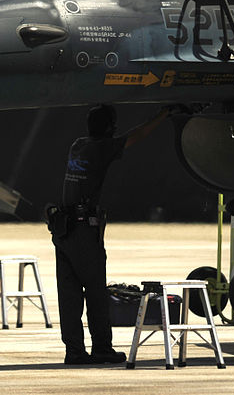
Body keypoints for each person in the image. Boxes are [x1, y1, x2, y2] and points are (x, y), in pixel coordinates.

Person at [51, 104, 172, 365]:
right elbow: (137, 135)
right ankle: (102, 348)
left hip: (63, 230)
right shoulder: (101, 149)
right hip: (84, 232)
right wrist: (164, 114)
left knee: (70, 295)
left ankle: (74, 351)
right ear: (109, 128)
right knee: (95, 293)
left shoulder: (78, 145)